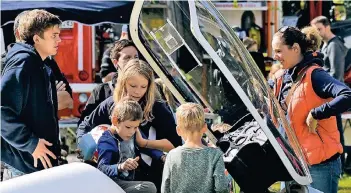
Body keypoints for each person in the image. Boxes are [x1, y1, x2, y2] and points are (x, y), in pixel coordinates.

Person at [77, 59, 182, 190]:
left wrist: (144, 143)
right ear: (123, 83)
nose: (138, 91)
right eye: (133, 86)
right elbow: (85, 124)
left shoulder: (158, 108)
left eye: (143, 87)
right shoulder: (111, 104)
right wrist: (82, 145)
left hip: (148, 174)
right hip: (113, 175)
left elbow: (175, 144)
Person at [271, 26, 351, 193]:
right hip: (293, 163)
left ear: (295, 48)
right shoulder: (281, 78)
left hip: (320, 166)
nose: (274, 56)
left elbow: (347, 95)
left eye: (279, 51)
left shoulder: (315, 75)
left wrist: (316, 113)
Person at [1, 9, 62, 179]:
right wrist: (31, 144)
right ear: (36, 38)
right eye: (54, 35)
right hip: (23, 168)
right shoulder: (23, 62)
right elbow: (1, 110)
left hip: (30, 166)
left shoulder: (36, 63)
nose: (60, 40)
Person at [161, 103, 230, 193]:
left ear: (178, 130)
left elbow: (165, 189)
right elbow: (221, 188)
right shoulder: (215, 155)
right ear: (205, 127)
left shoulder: (171, 155)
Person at [311, 16, 349, 172]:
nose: (317, 33)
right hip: (329, 96)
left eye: (319, 29)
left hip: (333, 95)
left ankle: (339, 165)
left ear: (327, 27)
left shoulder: (334, 46)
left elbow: (336, 74)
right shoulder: (327, 45)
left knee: (336, 132)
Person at [97, 99, 156, 193]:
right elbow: (101, 168)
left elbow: (146, 146)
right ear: (115, 121)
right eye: (128, 127)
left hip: (129, 181)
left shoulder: (132, 132)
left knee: (151, 184)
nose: (132, 131)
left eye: (136, 127)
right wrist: (121, 166)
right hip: (112, 183)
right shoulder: (107, 141)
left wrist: (162, 156)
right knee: (149, 188)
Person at [78, 39, 138, 126]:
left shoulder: (149, 90)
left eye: (135, 57)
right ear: (115, 62)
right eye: (127, 58)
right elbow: (83, 126)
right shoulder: (101, 91)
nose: (133, 61)